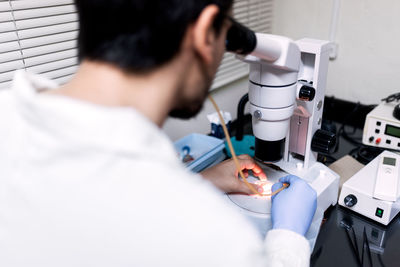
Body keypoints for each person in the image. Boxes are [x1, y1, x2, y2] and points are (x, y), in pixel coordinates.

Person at [0, 0, 317, 266]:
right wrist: (288, 236)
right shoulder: (213, 242)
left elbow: (97, 205)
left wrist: (200, 181)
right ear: (206, 33)